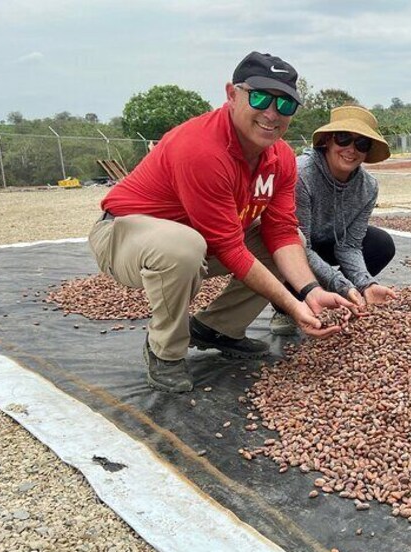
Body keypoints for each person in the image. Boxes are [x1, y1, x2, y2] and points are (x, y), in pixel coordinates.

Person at [88, 51, 354, 394]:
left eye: (285, 105)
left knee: (290, 245)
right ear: (232, 94)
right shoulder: (201, 148)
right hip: (125, 234)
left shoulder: (281, 158)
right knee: (183, 247)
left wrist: (311, 291)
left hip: (199, 239)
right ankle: (164, 351)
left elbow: (281, 231)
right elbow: (230, 248)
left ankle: (218, 329)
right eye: (260, 97)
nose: (272, 114)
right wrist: (293, 307)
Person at [270, 106, 398, 335]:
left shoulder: (368, 187)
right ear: (328, 140)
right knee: (294, 245)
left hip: (329, 244)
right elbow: (299, 244)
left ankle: (342, 302)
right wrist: (343, 283)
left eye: (361, 144)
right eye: (343, 139)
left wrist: (365, 284)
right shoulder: (302, 174)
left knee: (380, 243)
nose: (351, 150)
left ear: (368, 151)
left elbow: (349, 245)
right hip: (294, 245)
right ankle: (286, 307)